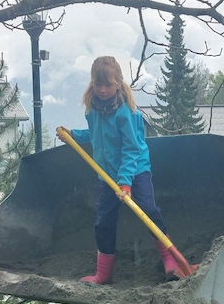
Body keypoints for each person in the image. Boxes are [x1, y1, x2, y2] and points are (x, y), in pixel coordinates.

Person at [68, 56, 176, 284]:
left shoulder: (126, 113)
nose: (103, 90)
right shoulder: (92, 110)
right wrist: (73, 136)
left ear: (118, 83)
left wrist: (126, 182)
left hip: (135, 170)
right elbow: (96, 136)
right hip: (107, 175)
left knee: (147, 209)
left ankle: (170, 259)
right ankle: (103, 274)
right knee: (104, 220)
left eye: (108, 84)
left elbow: (131, 148)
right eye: (98, 85)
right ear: (92, 84)